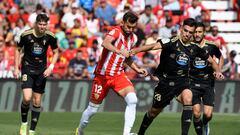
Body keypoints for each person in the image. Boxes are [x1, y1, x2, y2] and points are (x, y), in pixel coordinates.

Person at [130, 18, 224, 135]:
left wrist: (218, 71)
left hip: (182, 82)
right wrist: (135, 50)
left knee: (188, 97)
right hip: (165, 83)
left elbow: (212, 61)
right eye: (185, 31)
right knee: (153, 112)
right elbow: (153, 46)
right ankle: (140, 133)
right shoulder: (171, 41)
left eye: (190, 32)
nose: (187, 34)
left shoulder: (195, 48)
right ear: (181, 29)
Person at [75, 11, 148, 135]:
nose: (130, 30)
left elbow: (127, 58)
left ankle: (126, 133)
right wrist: (120, 51)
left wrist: (137, 69)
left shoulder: (133, 38)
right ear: (122, 23)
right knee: (92, 110)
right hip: (102, 77)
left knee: (133, 100)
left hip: (118, 75)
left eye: (133, 27)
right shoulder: (116, 31)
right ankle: (79, 130)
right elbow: (105, 43)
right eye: (128, 26)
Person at [14, 13, 59, 135]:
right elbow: (17, 50)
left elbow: (56, 52)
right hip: (27, 69)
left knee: (37, 102)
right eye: (40, 24)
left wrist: (51, 67)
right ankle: (24, 124)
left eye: (45, 24)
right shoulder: (26, 35)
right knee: (27, 98)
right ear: (35, 24)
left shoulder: (50, 37)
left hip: (42, 72)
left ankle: (32, 131)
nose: (42, 27)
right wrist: (16, 68)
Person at [191, 22, 224, 135]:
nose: (197, 34)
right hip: (192, 83)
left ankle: (205, 123)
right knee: (196, 114)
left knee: (207, 115)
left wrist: (218, 71)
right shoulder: (189, 45)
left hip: (208, 83)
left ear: (204, 32)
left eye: (199, 32)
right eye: (195, 32)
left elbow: (221, 58)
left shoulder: (212, 45)